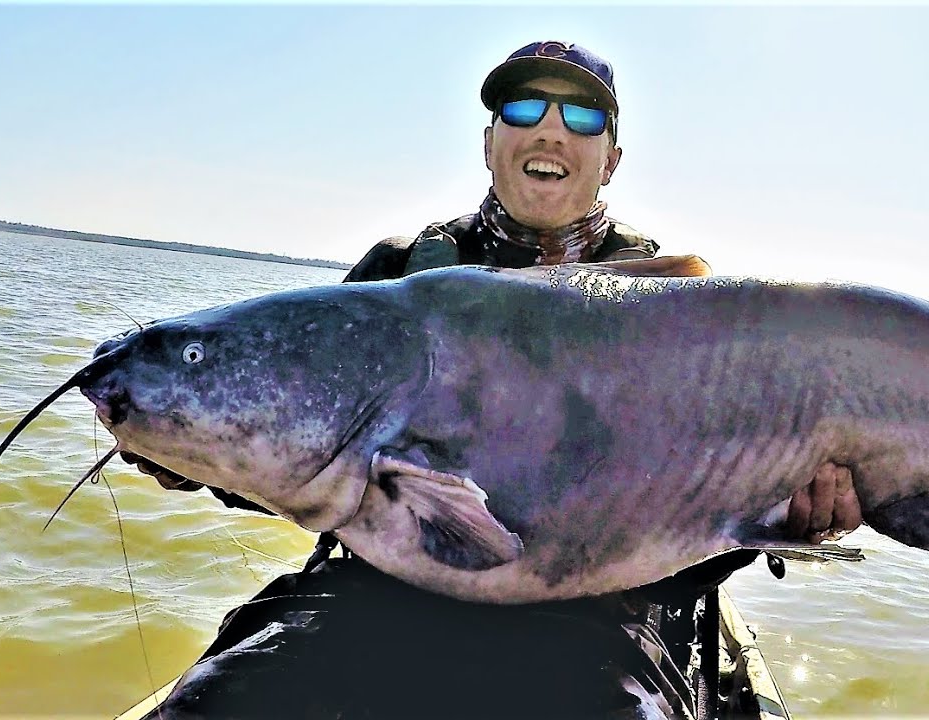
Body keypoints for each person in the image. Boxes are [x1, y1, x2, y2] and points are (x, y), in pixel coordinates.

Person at [129, 40, 862, 720]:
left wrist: (794, 511)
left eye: (580, 115)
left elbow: (710, 517)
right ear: (489, 142)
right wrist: (190, 451)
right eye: (522, 109)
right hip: (372, 594)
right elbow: (306, 453)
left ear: (610, 158)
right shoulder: (398, 273)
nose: (550, 130)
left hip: (605, 617)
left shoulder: (677, 312)